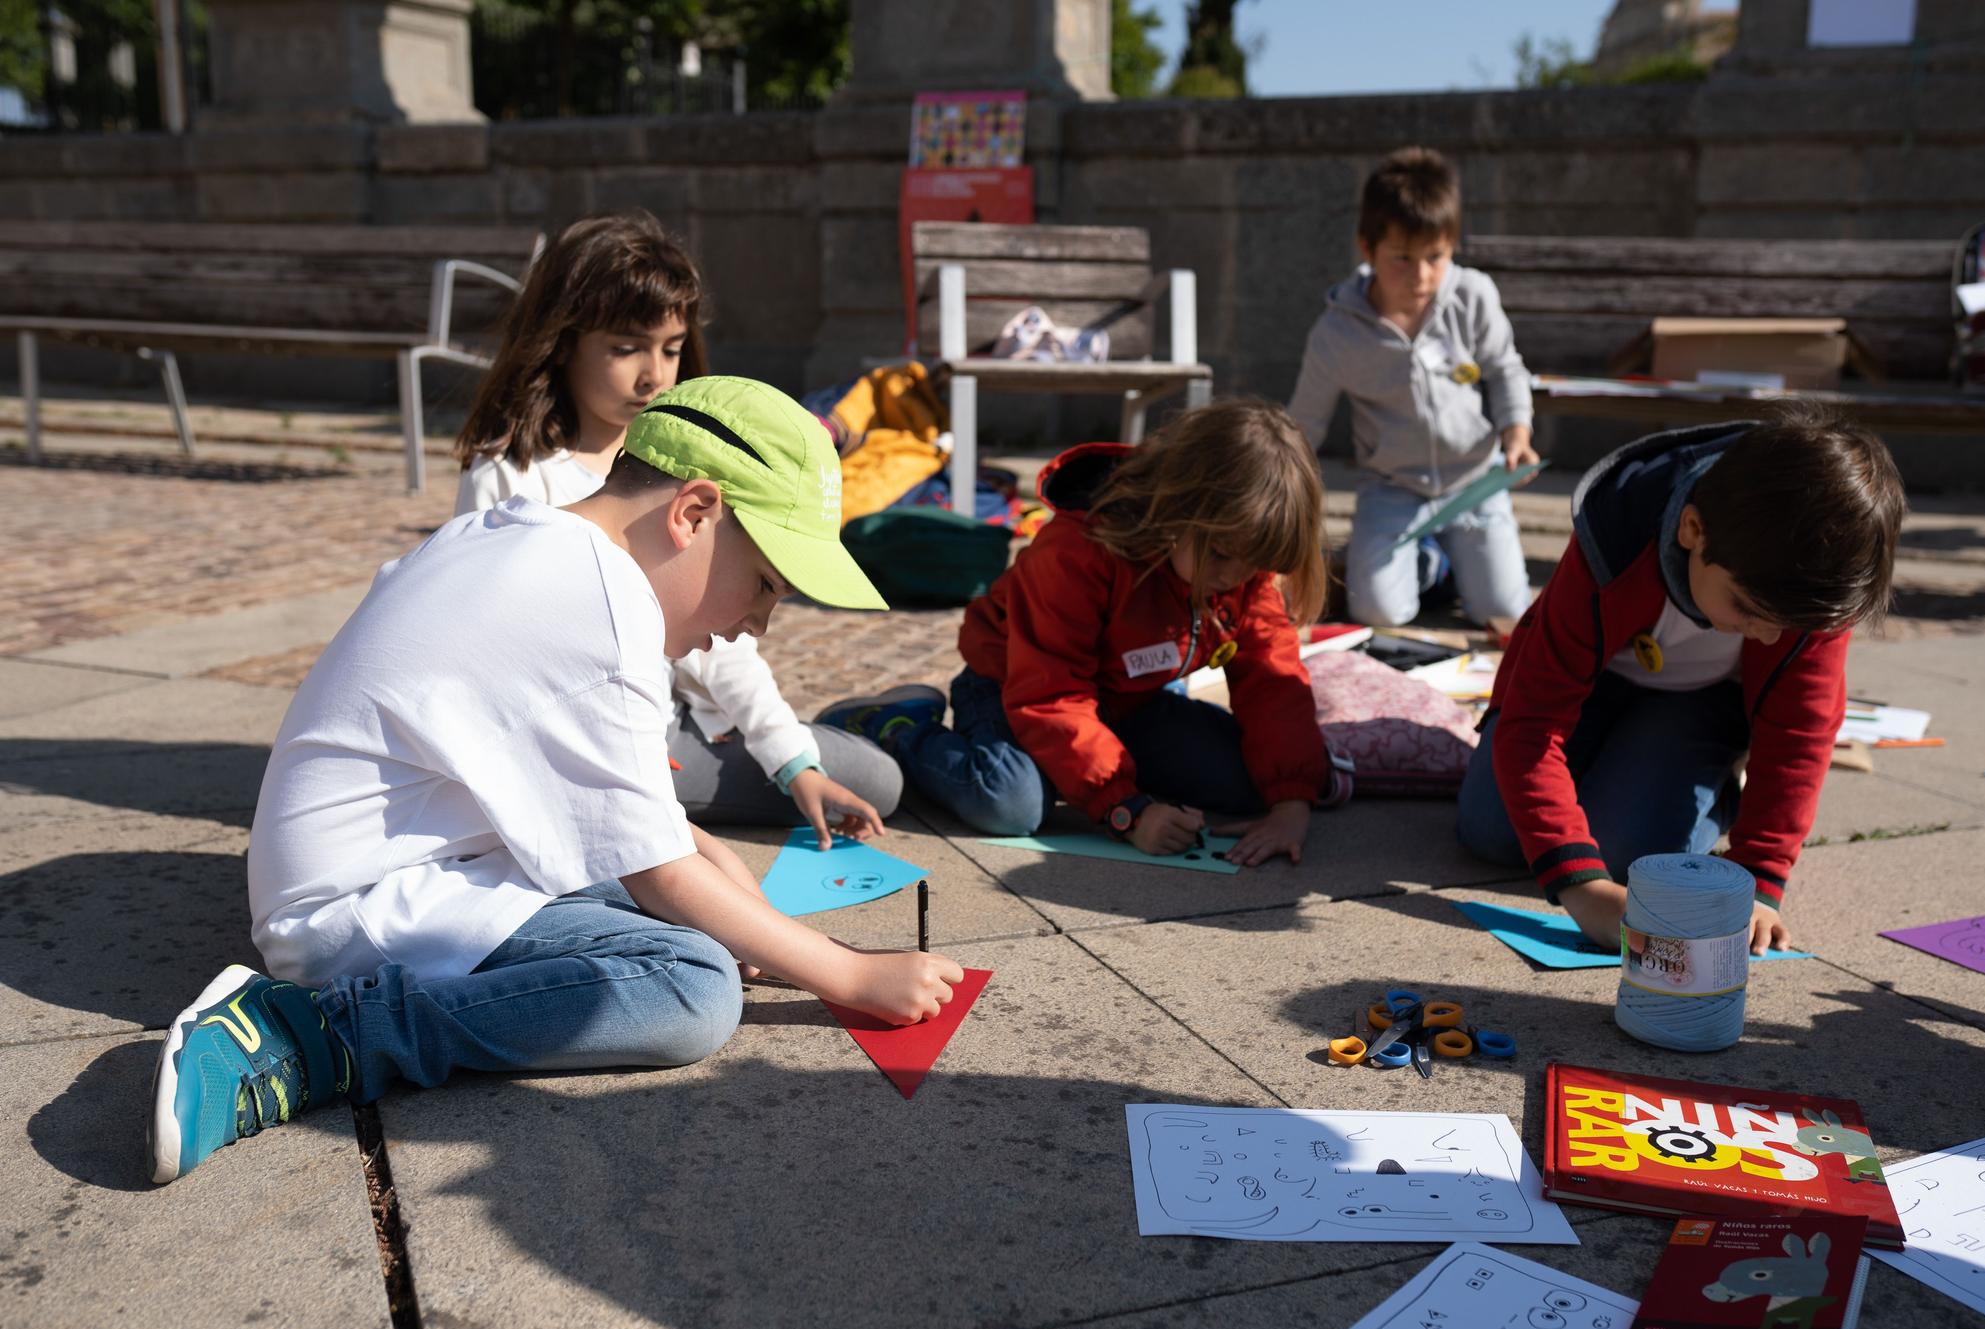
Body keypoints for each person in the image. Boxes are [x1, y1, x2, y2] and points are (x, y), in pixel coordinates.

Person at [150, 377, 965, 1185]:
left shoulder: (523, 535)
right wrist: (847, 972)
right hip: (346, 920)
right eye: (765, 586)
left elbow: (640, 829)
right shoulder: (606, 613)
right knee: (692, 987)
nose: (753, 625)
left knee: (710, 918)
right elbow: (660, 873)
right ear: (694, 513)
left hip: (404, 870)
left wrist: (715, 869)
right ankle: (317, 1036)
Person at [453, 211, 900, 847]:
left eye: (670, 348)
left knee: (871, 781)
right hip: (592, 741)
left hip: (673, 717)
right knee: (870, 777)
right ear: (563, 338)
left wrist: (792, 760)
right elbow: (490, 650)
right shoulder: (512, 473)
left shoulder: (682, 456)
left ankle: (867, 726)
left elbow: (728, 634)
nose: (655, 375)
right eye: (625, 347)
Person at [1456, 408, 1905, 954]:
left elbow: (1799, 737)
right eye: (1746, 609)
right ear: (1693, 530)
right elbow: (1533, 721)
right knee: (1490, 829)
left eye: (1784, 626)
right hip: (1592, 685)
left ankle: (1717, 789)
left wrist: (1759, 879)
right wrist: (1582, 889)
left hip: (1698, 706)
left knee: (1630, 850)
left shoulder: (1810, 590)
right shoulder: (1618, 528)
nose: (1766, 638)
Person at [819, 401, 1343, 869]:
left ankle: (1084, 773)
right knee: (1012, 804)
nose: (1235, 577)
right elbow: (1050, 694)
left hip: (1124, 702)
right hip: (1010, 688)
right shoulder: (1076, 553)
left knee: (1252, 781)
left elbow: (1273, 678)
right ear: (1175, 510)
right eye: (1223, 556)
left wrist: (1291, 803)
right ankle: (897, 726)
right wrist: (1127, 811)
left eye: (1257, 564)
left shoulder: (1238, 566)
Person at [1285, 145, 1537, 631]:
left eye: (1435, 257)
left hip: (1475, 481)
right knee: (1379, 612)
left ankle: (1450, 557)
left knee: (1505, 612)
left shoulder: (1473, 295)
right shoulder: (1337, 332)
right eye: (1402, 258)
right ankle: (1431, 565)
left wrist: (1517, 434)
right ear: (1367, 248)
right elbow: (1305, 424)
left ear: (1452, 247)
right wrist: (1278, 493)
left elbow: (1506, 369)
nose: (1421, 276)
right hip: (1392, 486)